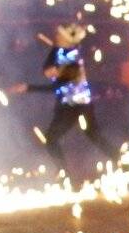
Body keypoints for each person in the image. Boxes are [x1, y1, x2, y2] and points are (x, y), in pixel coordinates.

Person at [11, 21, 112, 166]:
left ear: (66, 40)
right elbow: (48, 69)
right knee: (92, 135)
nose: (56, 36)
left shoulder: (70, 60)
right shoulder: (60, 51)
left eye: (60, 35)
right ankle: (120, 161)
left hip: (75, 105)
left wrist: (28, 88)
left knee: (52, 139)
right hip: (75, 103)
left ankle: (64, 172)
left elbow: (57, 87)